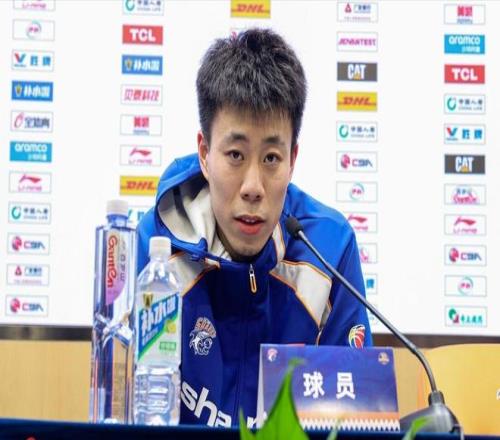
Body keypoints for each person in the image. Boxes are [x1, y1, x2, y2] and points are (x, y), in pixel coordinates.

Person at [137, 28, 372, 428]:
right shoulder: (156, 248)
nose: (252, 187)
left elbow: (356, 420)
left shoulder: (329, 249)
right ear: (204, 154)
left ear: (293, 159)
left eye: (271, 158)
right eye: (235, 154)